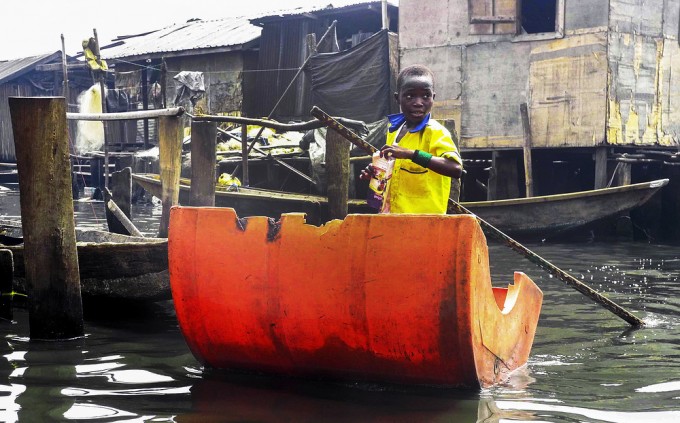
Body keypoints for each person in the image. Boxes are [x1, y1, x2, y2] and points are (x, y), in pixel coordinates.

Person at [360, 64, 463, 214]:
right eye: (410, 96)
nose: (418, 102)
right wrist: (376, 171)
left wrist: (411, 154)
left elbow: (455, 168)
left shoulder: (435, 132)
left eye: (426, 96)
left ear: (433, 98)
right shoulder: (394, 130)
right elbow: (394, 168)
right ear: (397, 98)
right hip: (393, 214)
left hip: (425, 221)